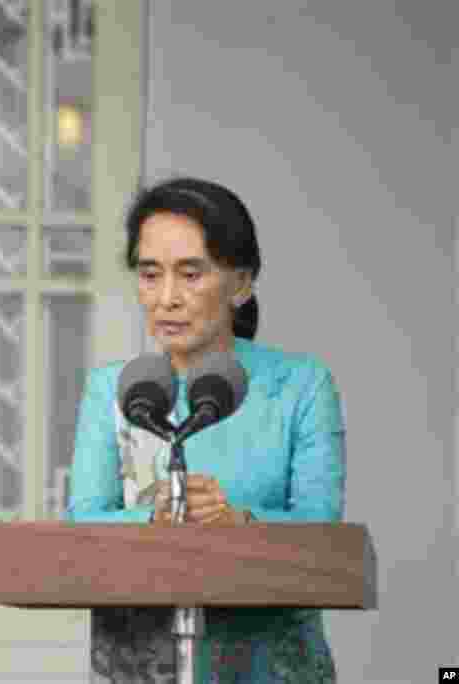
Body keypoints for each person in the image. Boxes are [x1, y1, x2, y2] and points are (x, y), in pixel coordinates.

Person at [67, 177, 344, 682]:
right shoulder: (114, 388)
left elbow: (321, 532)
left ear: (241, 283)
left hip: (269, 666)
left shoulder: (300, 385)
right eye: (150, 275)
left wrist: (238, 522)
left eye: (190, 274)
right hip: (141, 663)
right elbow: (83, 522)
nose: (167, 298)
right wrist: (153, 522)